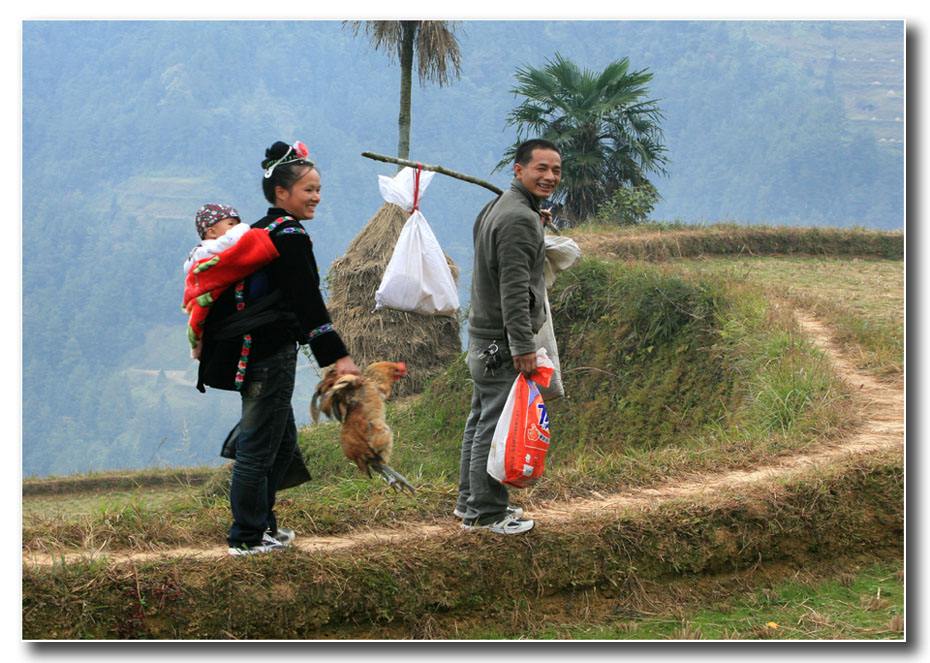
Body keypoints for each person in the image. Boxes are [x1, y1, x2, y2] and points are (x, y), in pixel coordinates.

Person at [197, 140, 360, 556]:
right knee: (257, 446)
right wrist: (338, 357)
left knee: (280, 442)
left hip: (252, 353)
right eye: (308, 189)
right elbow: (307, 302)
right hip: (266, 356)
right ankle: (246, 538)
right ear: (281, 193)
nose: (316, 197)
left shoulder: (259, 230)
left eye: (318, 189)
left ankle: (262, 527)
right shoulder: (287, 236)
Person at [455, 138, 562, 535]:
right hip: (502, 341)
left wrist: (536, 222)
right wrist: (522, 347)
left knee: (481, 418)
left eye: (555, 170)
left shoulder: (502, 207)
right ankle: (486, 513)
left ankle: (469, 503)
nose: (549, 177)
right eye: (541, 169)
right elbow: (514, 290)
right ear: (519, 170)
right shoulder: (518, 218)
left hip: (483, 336)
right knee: (494, 423)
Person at [182, 203, 278, 360]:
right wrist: (244, 228)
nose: (236, 227)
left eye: (237, 224)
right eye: (231, 224)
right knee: (199, 315)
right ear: (211, 231)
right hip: (208, 289)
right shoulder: (210, 248)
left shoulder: (200, 251)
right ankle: (197, 346)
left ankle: (197, 346)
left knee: (200, 319)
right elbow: (232, 240)